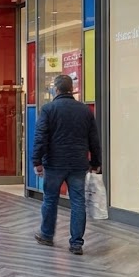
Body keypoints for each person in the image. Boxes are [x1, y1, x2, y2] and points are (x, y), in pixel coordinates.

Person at [32, 74, 102, 255]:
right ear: (72, 89)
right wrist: (96, 162)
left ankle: (47, 235)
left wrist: (37, 161)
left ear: (56, 89)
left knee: (50, 199)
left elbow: (41, 137)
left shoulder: (48, 109)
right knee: (78, 202)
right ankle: (76, 243)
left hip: (54, 163)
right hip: (78, 163)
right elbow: (94, 139)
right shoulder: (85, 111)